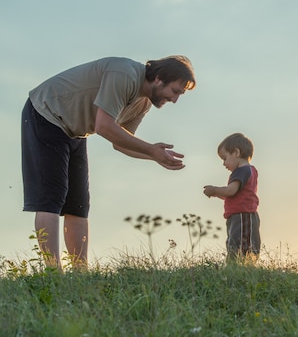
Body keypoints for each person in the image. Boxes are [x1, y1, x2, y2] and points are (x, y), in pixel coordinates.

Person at [21, 55, 196, 269]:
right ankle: (52, 272)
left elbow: (121, 142)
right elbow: (104, 126)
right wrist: (151, 149)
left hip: (75, 131)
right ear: (159, 79)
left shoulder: (143, 103)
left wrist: (154, 156)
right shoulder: (125, 74)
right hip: (46, 113)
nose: (175, 99)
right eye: (175, 91)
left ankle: (80, 272)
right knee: (51, 198)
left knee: (78, 204)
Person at [203, 133, 261, 261]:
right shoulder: (245, 171)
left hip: (243, 216)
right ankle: (235, 269)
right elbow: (233, 195)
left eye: (224, 158)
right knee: (234, 243)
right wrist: (217, 194)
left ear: (236, 152)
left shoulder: (242, 171)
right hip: (237, 215)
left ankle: (240, 269)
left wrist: (214, 190)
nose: (224, 164)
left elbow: (230, 191)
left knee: (242, 247)